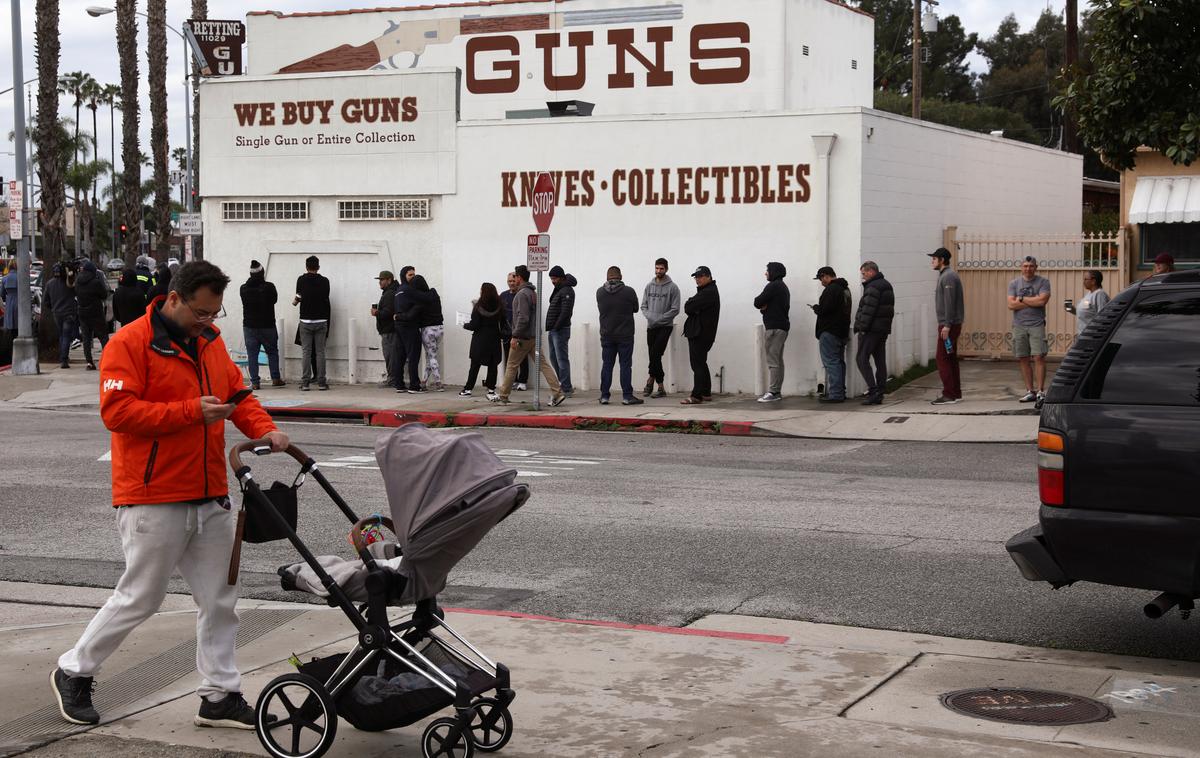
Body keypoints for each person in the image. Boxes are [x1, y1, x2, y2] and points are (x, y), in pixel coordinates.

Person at [51, 260, 289, 730]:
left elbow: (238, 395)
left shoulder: (210, 343)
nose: (207, 322)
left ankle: (220, 693)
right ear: (174, 298)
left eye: (214, 314)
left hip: (209, 493)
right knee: (141, 596)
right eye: (201, 313)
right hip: (152, 494)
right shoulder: (128, 343)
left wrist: (267, 430)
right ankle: (74, 670)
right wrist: (189, 413)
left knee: (221, 598)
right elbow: (118, 413)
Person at [493, 265, 566, 406]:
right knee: (543, 365)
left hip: (522, 337)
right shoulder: (532, 293)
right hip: (533, 337)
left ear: (519, 277)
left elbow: (523, 318)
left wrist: (515, 335)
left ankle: (503, 395)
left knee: (511, 365)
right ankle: (558, 392)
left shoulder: (521, 294)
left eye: (515, 276)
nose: (513, 279)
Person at [1006, 255, 1051, 403]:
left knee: (1038, 356)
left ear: (1036, 267)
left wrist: (1021, 299)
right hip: (1019, 325)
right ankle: (1029, 391)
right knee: (1023, 358)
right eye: (1025, 266)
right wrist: (1033, 301)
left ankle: (1041, 391)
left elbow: (1042, 300)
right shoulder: (1014, 283)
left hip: (1037, 324)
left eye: (1031, 266)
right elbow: (1011, 305)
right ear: (1021, 267)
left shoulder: (1043, 282)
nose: (1028, 269)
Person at [596, 265, 642, 405]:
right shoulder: (629, 291)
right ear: (620, 277)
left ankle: (604, 396)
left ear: (607, 277)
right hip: (625, 334)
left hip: (607, 334)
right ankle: (627, 396)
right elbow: (635, 308)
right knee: (625, 365)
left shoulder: (600, 292)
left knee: (607, 365)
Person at [853, 261, 895, 406]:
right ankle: (881, 391)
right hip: (882, 329)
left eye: (864, 274)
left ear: (871, 271)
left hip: (871, 330)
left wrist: (861, 327)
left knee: (861, 358)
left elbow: (868, 310)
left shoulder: (873, 287)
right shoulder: (886, 284)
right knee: (880, 360)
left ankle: (873, 391)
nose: (863, 277)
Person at [928, 247, 965, 405]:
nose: (932, 261)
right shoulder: (945, 275)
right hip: (949, 324)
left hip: (948, 325)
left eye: (934, 259)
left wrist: (947, 325)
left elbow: (949, 303)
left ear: (942, 260)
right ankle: (955, 392)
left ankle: (949, 394)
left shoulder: (948, 277)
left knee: (942, 358)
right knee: (950, 358)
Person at [240, 260, 284, 390]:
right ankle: (275, 378)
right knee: (272, 352)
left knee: (252, 354)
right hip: (267, 325)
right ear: (262, 273)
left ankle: (255, 382)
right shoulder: (269, 287)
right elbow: (274, 300)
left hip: (249, 326)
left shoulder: (243, 288)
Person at [810, 266, 851, 403]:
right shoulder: (845, 289)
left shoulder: (831, 289)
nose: (821, 282)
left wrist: (816, 308)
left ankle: (836, 394)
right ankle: (840, 391)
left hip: (830, 331)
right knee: (839, 362)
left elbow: (825, 310)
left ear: (826, 276)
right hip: (842, 331)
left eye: (821, 278)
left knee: (831, 362)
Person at [641, 258, 681, 398]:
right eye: (657, 268)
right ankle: (657, 385)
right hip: (651, 326)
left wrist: (660, 319)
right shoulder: (649, 286)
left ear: (666, 269)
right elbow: (643, 306)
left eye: (661, 269)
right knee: (653, 355)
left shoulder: (673, 288)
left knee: (655, 354)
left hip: (665, 326)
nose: (658, 271)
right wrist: (650, 317)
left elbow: (675, 309)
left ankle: (654, 383)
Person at [681, 266, 720, 404]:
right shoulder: (706, 291)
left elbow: (688, 307)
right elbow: (690, 307)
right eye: (696, 277)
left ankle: (696, 396)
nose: (697, 279)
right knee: (701, 363)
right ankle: (706, 392)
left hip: (701, 334)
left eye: (700, 276)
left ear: (709, 276)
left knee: (697, 364)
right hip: (701, 333)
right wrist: (692, 305)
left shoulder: (708, 292)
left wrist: (691, 304)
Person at [460, 282, 504, 399]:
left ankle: (468, 389)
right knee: (492, 365)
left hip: (480, 339)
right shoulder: (500, 306)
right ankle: (491, 389)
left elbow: (474, 325)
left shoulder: (478, 307)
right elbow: (503, 323)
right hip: (494, 339)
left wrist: (465, 325)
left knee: (475, 365)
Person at [753, 262, 790, 402]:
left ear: (774, 271)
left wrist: (763, 306)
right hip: (782, 327)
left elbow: (757, 302)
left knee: (773, 361)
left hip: (774, 328)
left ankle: (773, 392)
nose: (765, 273)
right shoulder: (783, 286)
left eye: (767, 270)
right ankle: (777, 391)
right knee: (778, 360)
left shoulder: (773, 286)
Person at [293, 255, 330, 391]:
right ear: (318, 267)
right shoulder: (325, 281)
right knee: (320, 352)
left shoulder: (301, 280)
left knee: (306, 352)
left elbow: (299, 296)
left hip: (305, 320)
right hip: (321, 320)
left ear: (306, 267)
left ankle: (305, 383)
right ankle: (321, 382)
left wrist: (296, 301)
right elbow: (325, 296)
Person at [544, 265, 577, 396]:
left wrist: (556, 326)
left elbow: (565, 312)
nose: (553, 281)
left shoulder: (567, 290)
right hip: (554, 329)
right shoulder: (559, 289)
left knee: (561, 359)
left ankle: (566, 387)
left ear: (561, 277)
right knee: (554, 358)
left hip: (560, 329)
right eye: (551, 278)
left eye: (555, 278)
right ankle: (563, 383)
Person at [410, 274, 445, 391]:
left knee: (432, 356)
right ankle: (424, 381)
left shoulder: (419, 298)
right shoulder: (434, 294)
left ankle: (438, 383)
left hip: (428, 329)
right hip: (439, 328)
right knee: (430, 355)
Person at [392, 265, 423, 393]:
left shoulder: (398, 290)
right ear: (404, 276)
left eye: (414, 275)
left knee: (400, 356)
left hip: (399, 326)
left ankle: (399, 384)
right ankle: (414, 385)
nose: (413, 277)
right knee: (413, 356)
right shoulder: (410, 290)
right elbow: (417, 306)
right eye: (410, 275)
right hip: (409, 326)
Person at [75, 260, 111, 371]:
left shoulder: (78, 281)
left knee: (86, 338)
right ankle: (108, 360)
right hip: (96, 312)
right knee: (103, 337)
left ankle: (89, 362)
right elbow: (104, 294)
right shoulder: (95, 282)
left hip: (82, 312)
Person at [44, 263, 79, 369]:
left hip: (57, 313)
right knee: (66, 336)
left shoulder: (49, 284)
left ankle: (63, 357)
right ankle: (64, 359)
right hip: (68, 313)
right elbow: (76, 293)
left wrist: (53, 307)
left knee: (62, 335)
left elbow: (46, 301)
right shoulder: (69, 283)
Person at [499, 272, 530, 391]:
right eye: (509, 281)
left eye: (513, 281)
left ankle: (522, 381)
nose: (511, 283)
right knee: (509, 357)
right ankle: (513, 380)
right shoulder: (503, 295)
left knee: (522, 357)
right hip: (507, 332)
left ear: (517, 280)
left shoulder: (521, 294)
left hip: (520, 331)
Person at [371, 271, 399, 388]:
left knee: (390, 356)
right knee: (391, 355)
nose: (380, 282)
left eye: (382, 280)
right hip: (389, 330)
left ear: (389, 280)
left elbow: (388, 312)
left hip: (389, 330)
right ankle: (393, 378)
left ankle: (392, 379)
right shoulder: (390, 292)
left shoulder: (389, 294)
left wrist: (377, 312)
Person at [1066, 269, 1110, 335]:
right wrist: (1071, 309)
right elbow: (1086, 312)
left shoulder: (1100, 294)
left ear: (1093, 281)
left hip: (1093, 335)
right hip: (1084, 334)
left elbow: (1102, 316)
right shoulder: (1089, 294)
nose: (1083, 282)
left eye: (1085, 279)